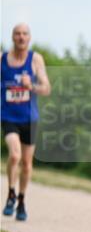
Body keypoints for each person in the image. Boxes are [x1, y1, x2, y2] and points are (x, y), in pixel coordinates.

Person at [2, 23, 51, 221]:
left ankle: (21, 200)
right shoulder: (2, 59)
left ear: (29, 38)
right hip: (8, 116)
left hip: (29, 118)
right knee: (15, 155)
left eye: (24, 34)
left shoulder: (35, 59)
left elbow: (46, 88)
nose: (21, 37)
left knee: (27, 164)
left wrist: (31, 86)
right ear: (12, 37)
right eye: (17, 34)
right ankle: (11, 193)